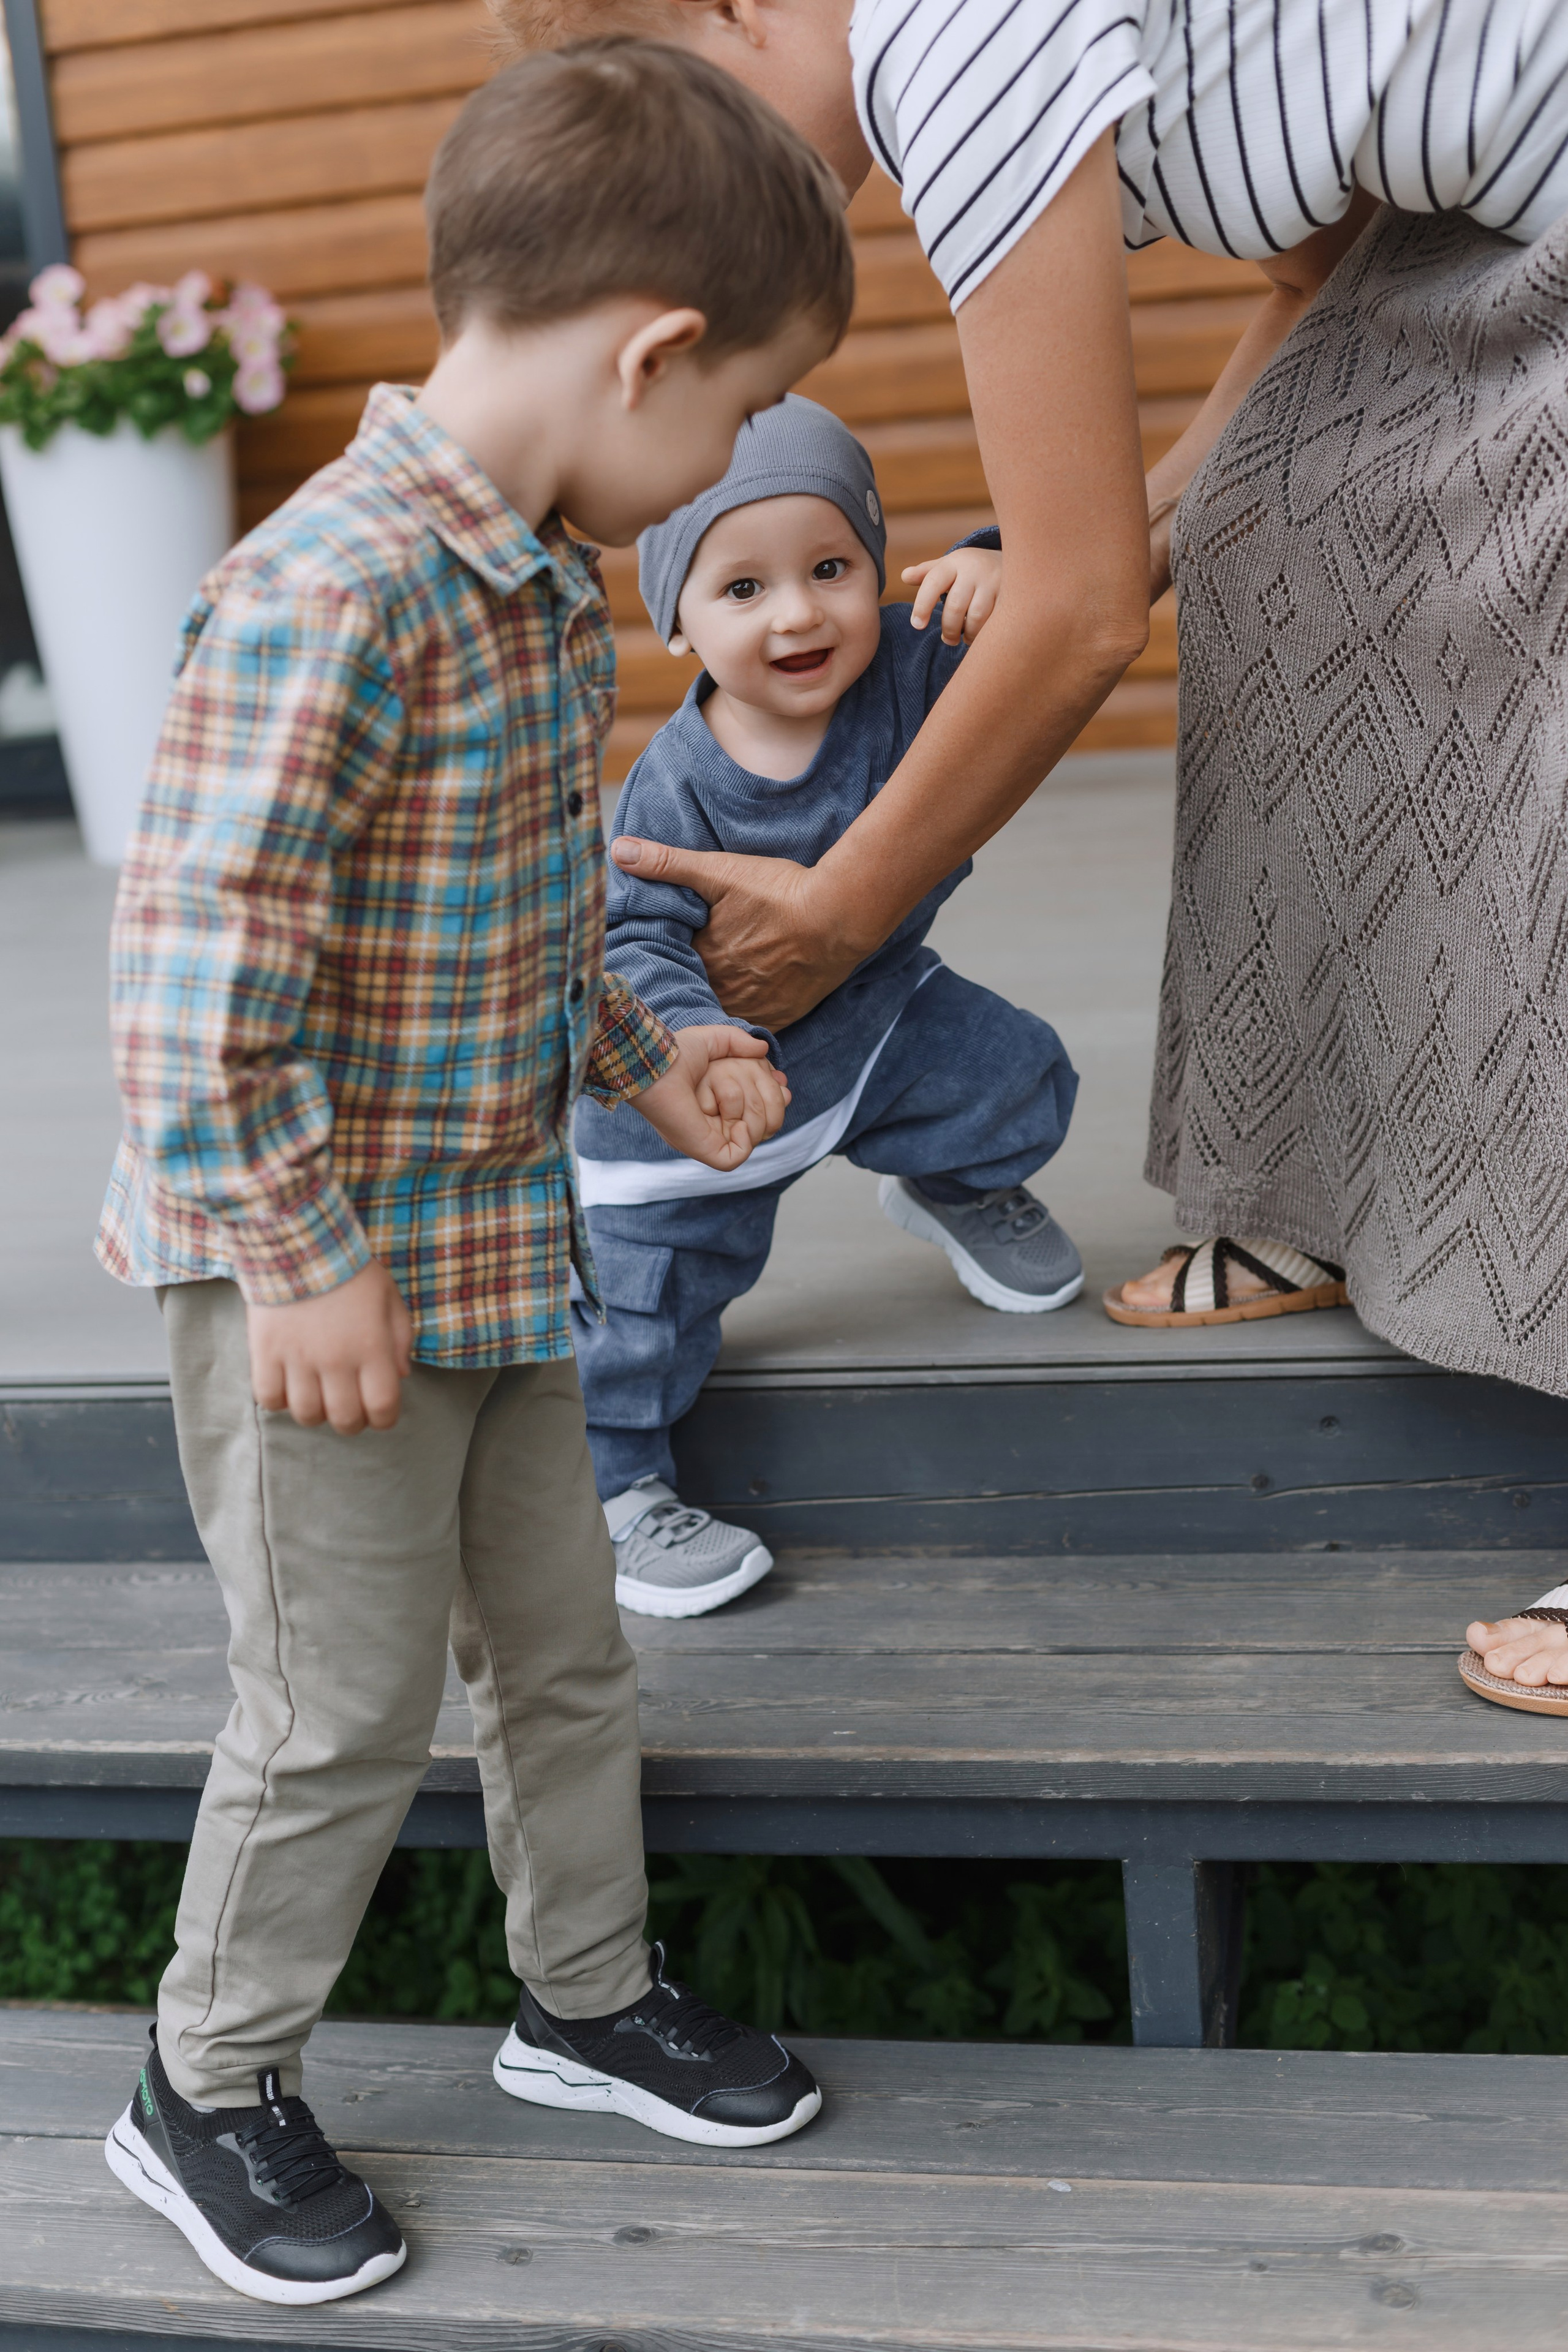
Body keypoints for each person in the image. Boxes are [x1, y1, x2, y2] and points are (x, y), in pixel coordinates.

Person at [499, 0, 1568, 1692]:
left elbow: (1061, 625)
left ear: (736, 10)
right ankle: (1328, 1178)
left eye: (684, 118)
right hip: (1474, 245)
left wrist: (846, 909)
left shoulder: (947, 40)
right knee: (1268, 536)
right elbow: (1317, 268)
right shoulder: (962, 51)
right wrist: (1151, 532)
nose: (695, 199)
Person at [90, 43, 850, 2309]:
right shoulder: (329, 593)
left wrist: (656, 1043)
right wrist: (300, 1257)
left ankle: (585, 1999)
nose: (714, 481)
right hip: (315, 1286)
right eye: (730, 428)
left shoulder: (524, 578)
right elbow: (192, 979)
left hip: (499, 1255)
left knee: (563, 1661)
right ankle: (202, 2086)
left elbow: (511, 905)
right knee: (338, 1709)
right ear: (650, 350)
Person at [573, 395, 1080, 1615]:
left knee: (1013, 1073)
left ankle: (946, 1182)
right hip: (698, 1105)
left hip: (871, 1022)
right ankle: (619, 1496)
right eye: (740, 590)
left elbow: (1039, 623)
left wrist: (997, 566)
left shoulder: (905, 667)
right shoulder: (672, 788)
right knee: (642, 1326)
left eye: (828, 567)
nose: (798, 612)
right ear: (678, 621)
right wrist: (688, 1038)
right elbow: (630, 936)